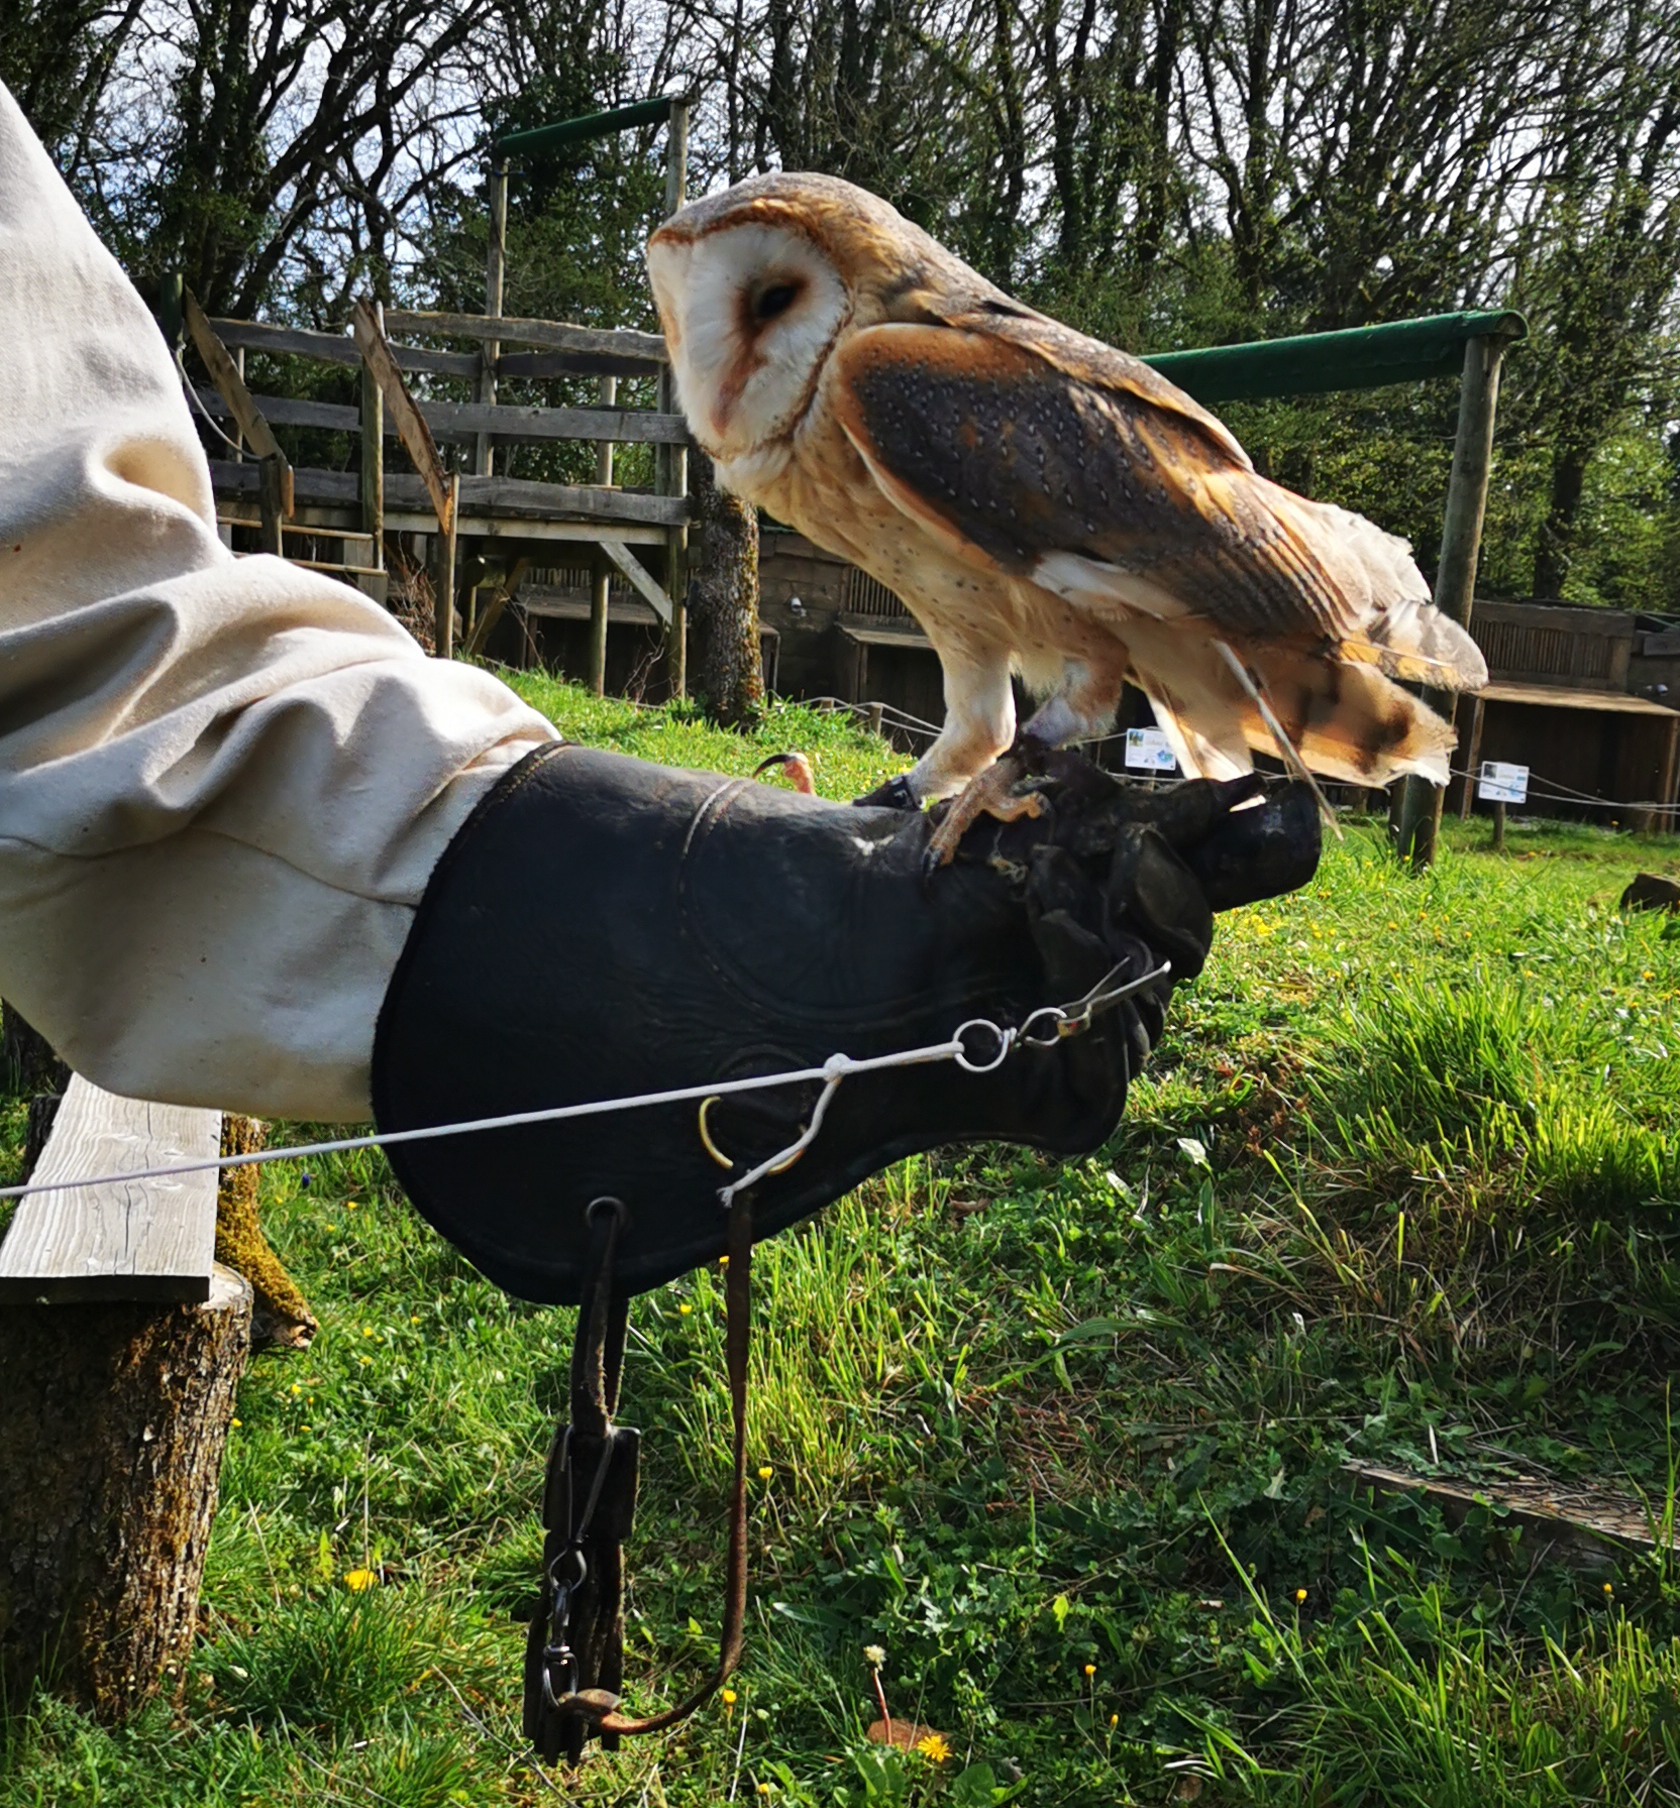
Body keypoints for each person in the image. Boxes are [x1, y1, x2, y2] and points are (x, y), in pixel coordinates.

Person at [0, 82, 1318, 1310]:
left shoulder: (904, 372)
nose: (726, 377)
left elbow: (68, 617)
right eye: (702, 334)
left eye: (760, 312)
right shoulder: (825, 429)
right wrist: (898, 825)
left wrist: (1006, 781)